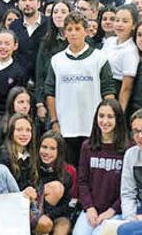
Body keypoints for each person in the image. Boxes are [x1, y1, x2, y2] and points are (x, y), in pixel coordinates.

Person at [44, 11, 115, 164]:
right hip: (66, 128)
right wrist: (54, 121)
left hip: (93, 127)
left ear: (86, 31)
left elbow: (108, 92)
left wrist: (109, 120)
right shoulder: (57, 60)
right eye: (69, 29)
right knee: (69, 172)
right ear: (64, 33)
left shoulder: (99, 58)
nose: (73, 33)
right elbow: (50, 93)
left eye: (77, 28)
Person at [71, 99, 128, 235]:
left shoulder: (128, 149)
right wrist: (89, 208)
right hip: (92, 208)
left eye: (110, 117)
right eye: (101, 116)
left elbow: (129, 189)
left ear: (118, 119)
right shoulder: (87, 146)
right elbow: (82, 181)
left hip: (114, 210)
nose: (105, 121)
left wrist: (111, 211)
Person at [101, 5, 139, 113]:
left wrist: (120, 112)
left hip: (116, 90)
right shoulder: (109, 41)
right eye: (117, 20)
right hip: (102, 87)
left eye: (125, 21)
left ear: (134, 25)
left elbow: (126, 87)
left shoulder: (131, 50)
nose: (119, 24)